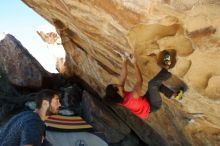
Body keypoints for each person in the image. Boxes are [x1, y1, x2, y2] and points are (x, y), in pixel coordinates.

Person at [104, 51, 186, 119]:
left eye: (115, 85)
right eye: (117, 87)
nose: (119, 85)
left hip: (145, 101)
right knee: (152, 84)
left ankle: (176, 96)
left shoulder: (117, 97)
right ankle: (167, 67)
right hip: (153, 105)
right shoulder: (133, 96)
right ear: (118, 94)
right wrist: (134, 63)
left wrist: (124, 60)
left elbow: (123, 76)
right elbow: (140, 80)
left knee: (157, 87)